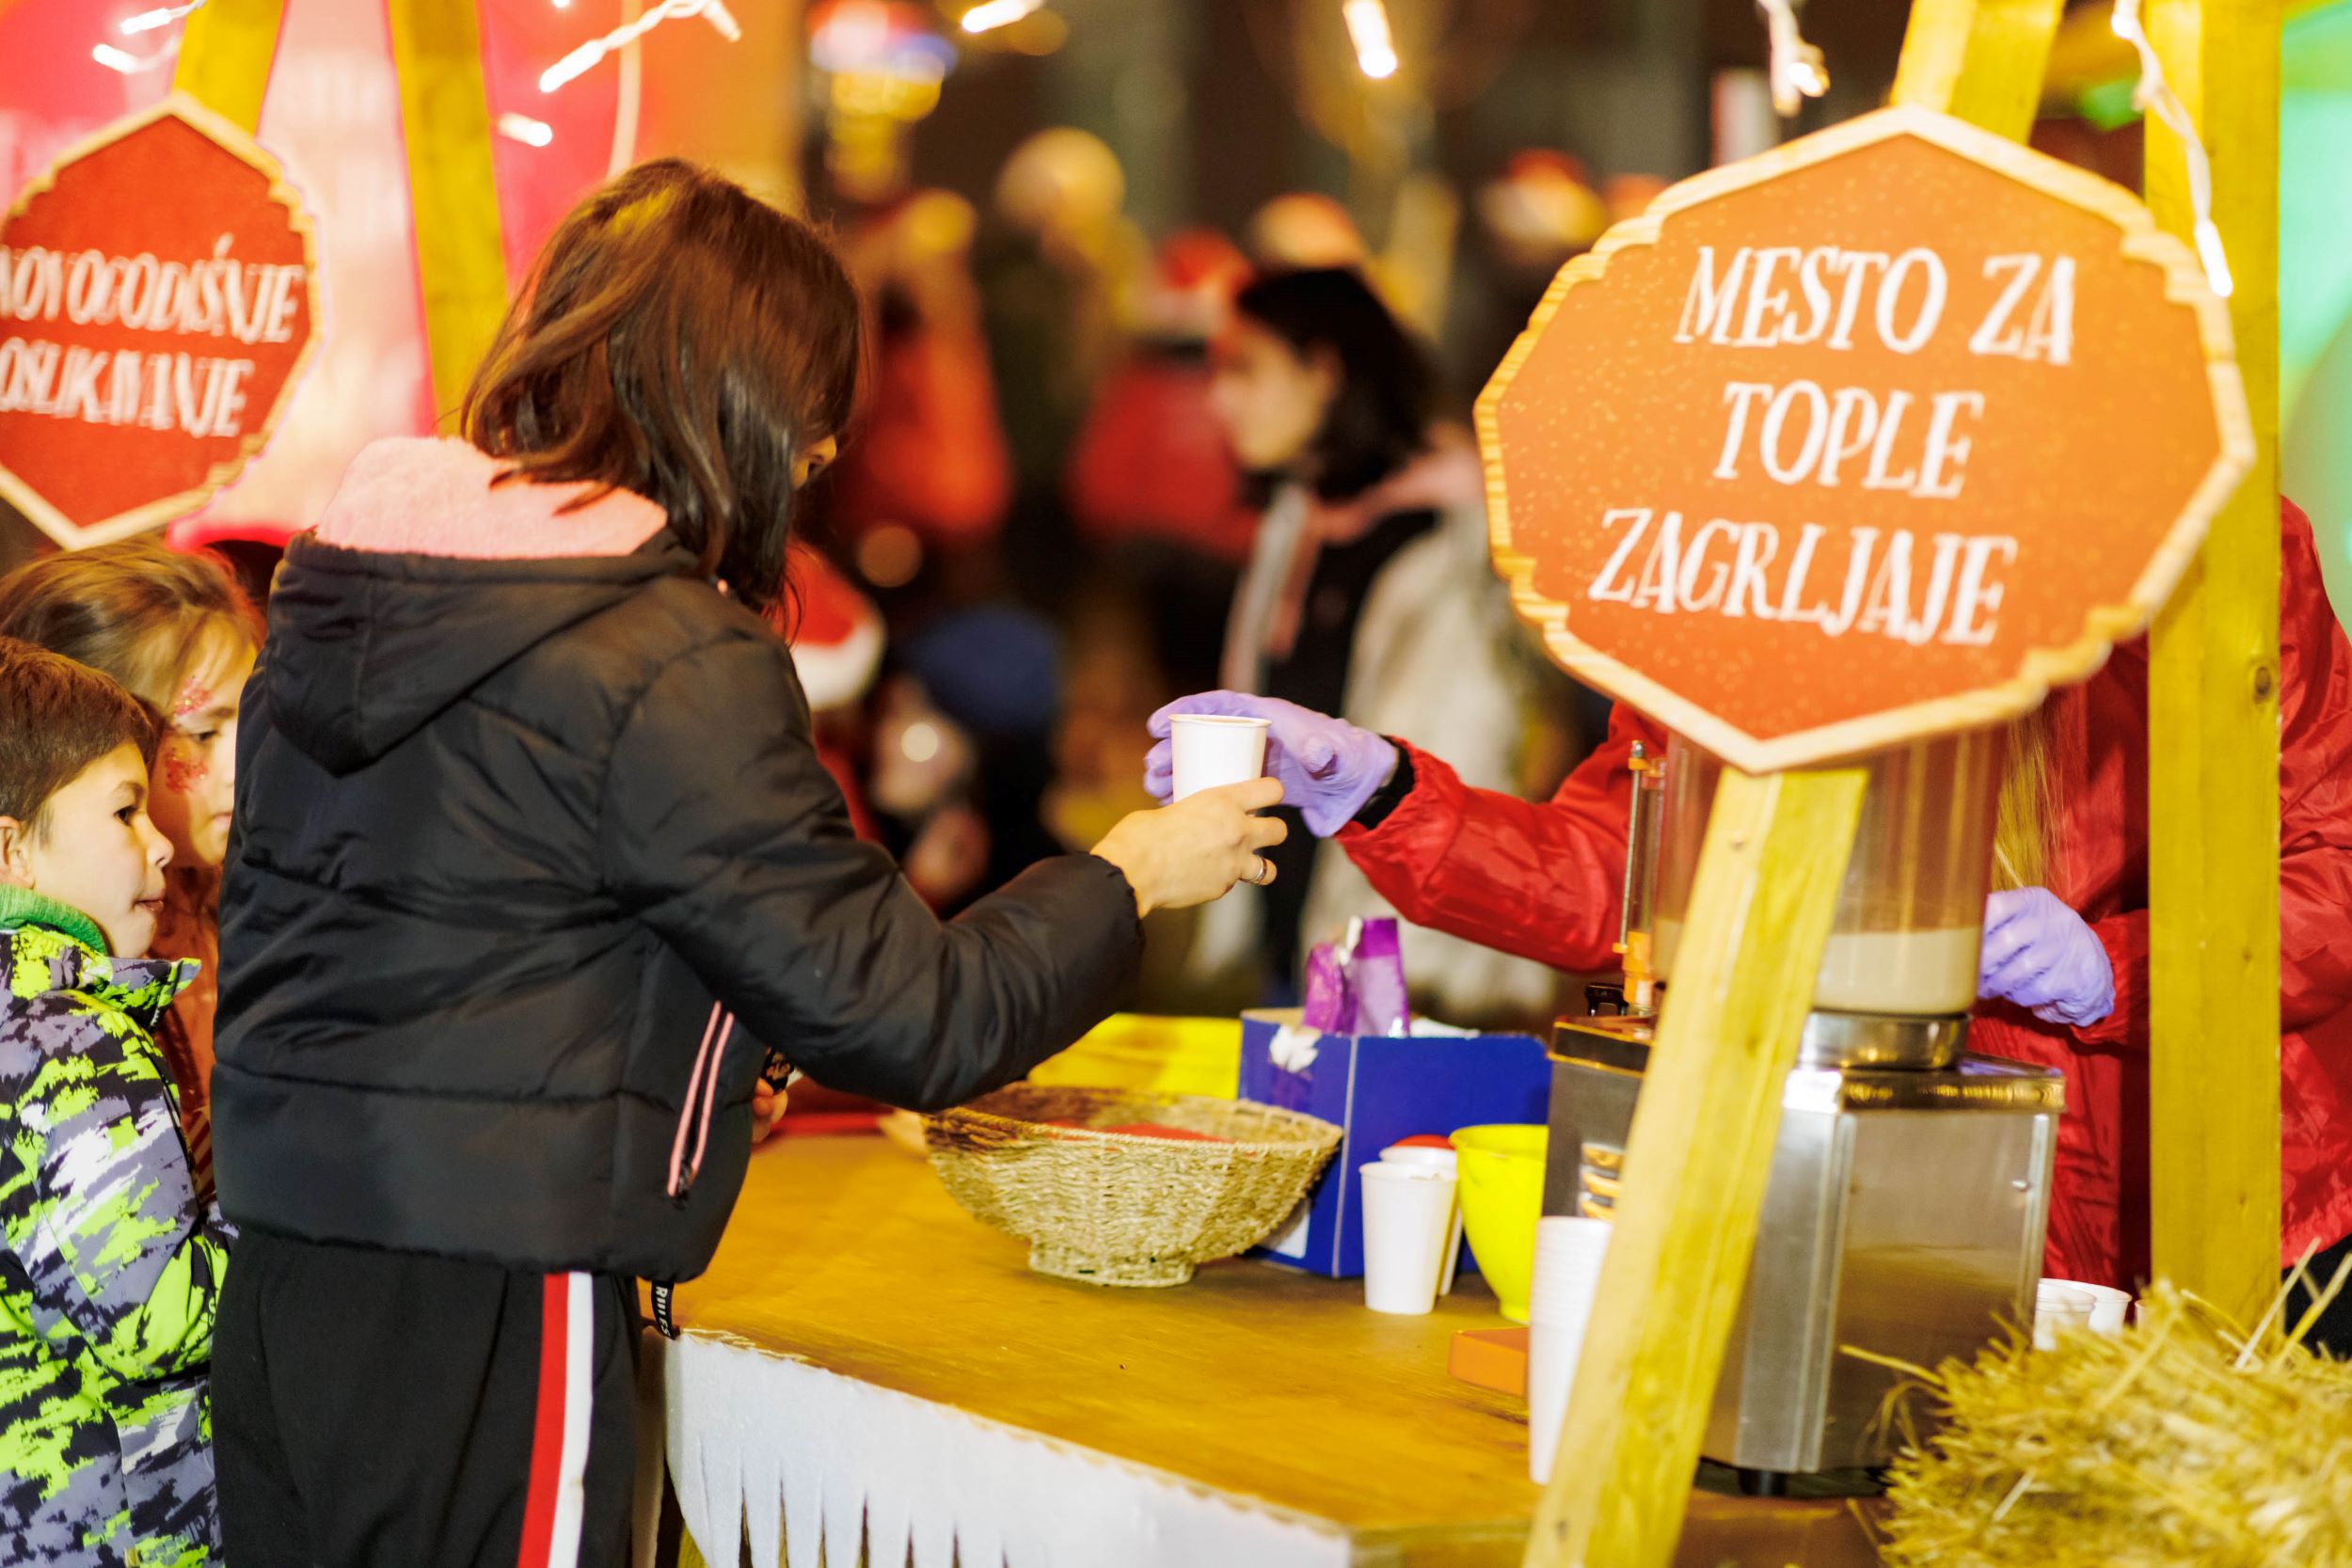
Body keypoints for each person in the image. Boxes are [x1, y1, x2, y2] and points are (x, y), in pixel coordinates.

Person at [207, 159, 1283, 1568]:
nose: (825, 458)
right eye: (816, 421)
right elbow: (913, 1012)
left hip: (286, 1265)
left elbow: (479, 930)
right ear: (744, 405)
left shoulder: (348, 590)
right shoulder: (663, 650)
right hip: (497, 1295)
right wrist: (1129, 873)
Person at [1152, 498, 2352, 1346]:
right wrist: (1378, 789)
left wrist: (2122, 966)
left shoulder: (2203, 546)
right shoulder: (1746, 562)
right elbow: (1630, 868)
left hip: (2221, 1219)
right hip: (1878, 1214)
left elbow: (2336, 856)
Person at [1204, 266, 1564, 1019]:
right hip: (1296, 928)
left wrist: (1368, 975)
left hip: (1396, 964)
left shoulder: (1443, 546)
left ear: (1325, 372)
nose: (1220, 398)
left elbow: (1448, 773)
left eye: (1246, 368)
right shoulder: (1299, 522)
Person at [0, 637, 230, 1567]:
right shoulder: (63, 1038)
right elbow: (157, 1317)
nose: (163, 840)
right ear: (12, 847)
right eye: (127, 811)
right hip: (124, 1529)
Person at [0, 541, 262, 1198]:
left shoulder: (231, 908)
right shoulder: (52, 999)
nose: (248, 762)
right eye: (201, 733)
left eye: (258, 720)